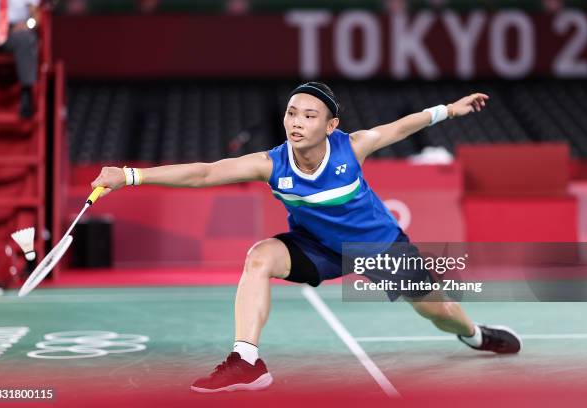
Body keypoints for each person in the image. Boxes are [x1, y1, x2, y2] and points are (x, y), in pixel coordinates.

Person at [91, 82, 522, 393]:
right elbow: (206, 172)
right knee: (259, 257)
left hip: (379, 248)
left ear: (331, 124)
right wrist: (131, 176)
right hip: (317, 248)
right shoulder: (271, 163)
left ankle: (476, 334)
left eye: (309, 115)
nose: (296, 123)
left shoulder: (353, 147)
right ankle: (246, 361)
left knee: (440, 312)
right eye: (291, 113)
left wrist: (451, 109)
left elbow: (405, 125)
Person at [0, 0, 40, 118]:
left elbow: (36, 15)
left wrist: (27, 25)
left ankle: (26, 94)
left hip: (16, 30)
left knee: (26, 40)